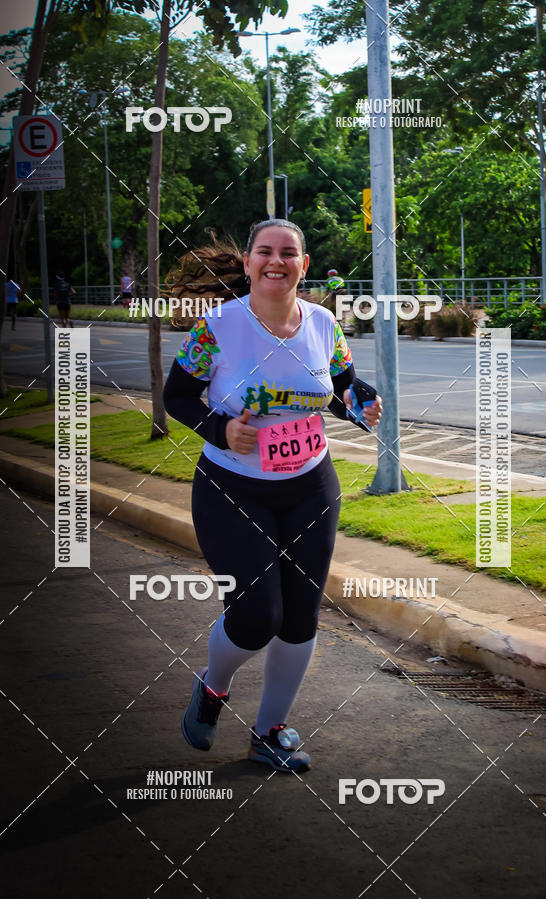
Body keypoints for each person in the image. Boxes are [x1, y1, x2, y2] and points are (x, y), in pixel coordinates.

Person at [163, 220, 382, 773]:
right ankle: (213, 689)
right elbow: (178, 396)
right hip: (233, 488)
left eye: (289, 253)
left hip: (311, 486)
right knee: (258, 614)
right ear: (249, 262)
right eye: (266, 251)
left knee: (301, 617)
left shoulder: (324, 324)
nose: (276, 261)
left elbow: (338, 389)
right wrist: (219, 429)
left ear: (303, 266)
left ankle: (270, 731)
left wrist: (360, 404)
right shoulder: (218, 327)